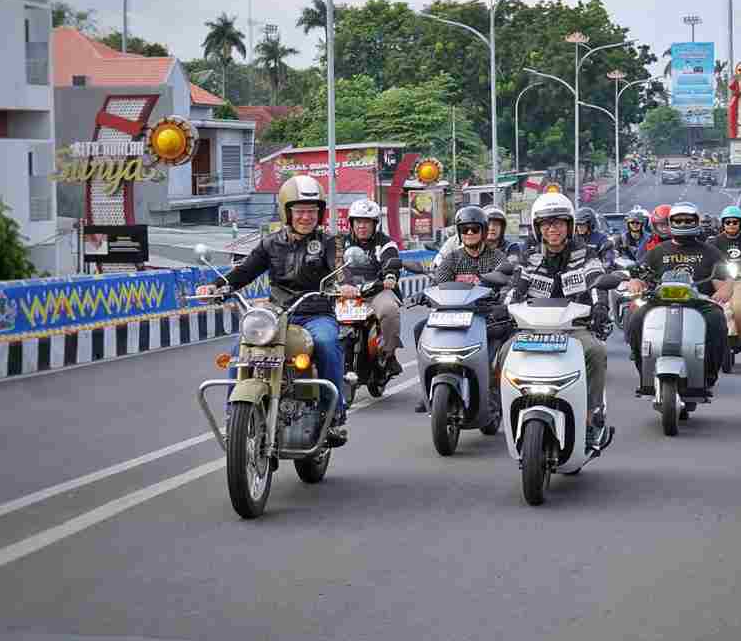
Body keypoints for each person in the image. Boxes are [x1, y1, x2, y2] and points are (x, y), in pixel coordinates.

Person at [196, 175, 348, 444]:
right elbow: (245, 271)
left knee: (327, 343)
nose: (306, 217)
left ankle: (333, 414)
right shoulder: (270, 242)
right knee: (240, 349)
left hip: (316, 313)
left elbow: (339, 269)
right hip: (278, 314)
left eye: (312, 211)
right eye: (300, 211)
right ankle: (234, 416)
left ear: (320, 213)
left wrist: (345, 285)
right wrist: (217, 286)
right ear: (286, 211)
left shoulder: (329, 241)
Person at [496, 192, 612, 445]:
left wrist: (601, 306)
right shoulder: (530, 256)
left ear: (569, 225)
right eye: (546, 224)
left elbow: (596, 282)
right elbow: (516, 287)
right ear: (538, 228)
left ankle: (590, 416)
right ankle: (506, 409)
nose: (552, 229)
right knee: (504, 353)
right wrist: (503, 308)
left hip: (574, 328)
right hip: (533, 329)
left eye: (558, 222)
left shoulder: (586, 254)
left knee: (596, 351)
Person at [624, 202, 733, 386]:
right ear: (671, 223)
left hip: (700, 304)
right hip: (659, 302)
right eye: (678, 221)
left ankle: (710, 374)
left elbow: (724, 279)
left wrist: (725, 289)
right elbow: (639, 274)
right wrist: (634, 282)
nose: (683, 224)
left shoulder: (710, 252)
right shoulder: (658, 251)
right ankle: (644, 372)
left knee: (719, 321)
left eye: (688, 221)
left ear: (697, 222)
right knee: (635, 318)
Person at [413, 206, 509, 413]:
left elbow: (508, 281)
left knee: (499, 345)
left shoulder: (497, 257)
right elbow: (439, 282)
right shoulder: (453, 258)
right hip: (452, 316)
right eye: (465, 230)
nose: (470, 234)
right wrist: (426, 294)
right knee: (419, 328)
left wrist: (501, 300)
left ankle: (493, 391)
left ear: (483, 231)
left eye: (475, 229)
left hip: (486, 317)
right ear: (459, 233)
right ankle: (427, 386)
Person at [337, 198, 404, 377]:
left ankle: (389, 354)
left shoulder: (385, 243)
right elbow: (333, 265)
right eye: (358, 221)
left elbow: (391, 261)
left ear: (375, 224)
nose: (362, 226)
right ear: (351, 223)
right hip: (347, 292)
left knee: (389, 310)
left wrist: (390, 276)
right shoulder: (339, 243)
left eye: (367, 222)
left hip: (376, 290)